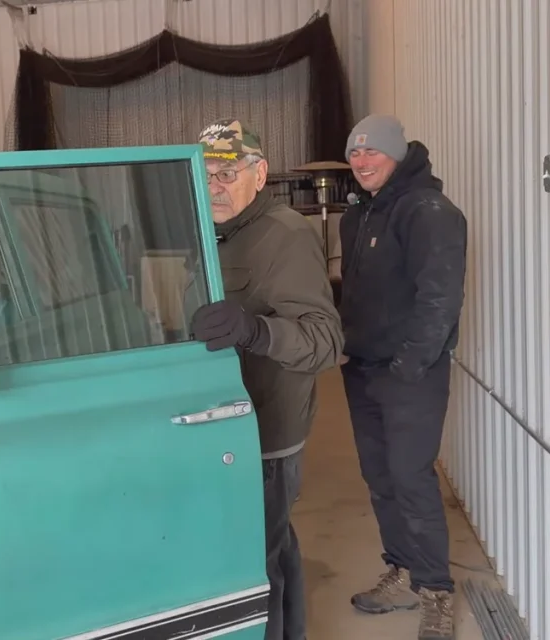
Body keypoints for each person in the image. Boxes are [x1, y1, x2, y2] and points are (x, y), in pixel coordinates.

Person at [186, 118, 344, 640]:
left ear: (260, 174)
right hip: (229, 421)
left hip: (265, 436)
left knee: (255, 568)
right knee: (275, 545)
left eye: (228, 174)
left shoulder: (285, 235)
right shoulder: (213, 232)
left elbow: (325, 342)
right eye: (206, 173)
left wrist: (256, 331)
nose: (215, 186)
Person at [336, 113, 468, 640]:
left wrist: (409, 365)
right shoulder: (359, 214)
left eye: (372, 151)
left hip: (410, 373)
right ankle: (403, 571)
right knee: (380, 477)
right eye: (355, 152)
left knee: (411, 478)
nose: (361, 161)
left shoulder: (429, 212)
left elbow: (440, 298)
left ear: (396, 153)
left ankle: (436, 591)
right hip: (362, 367)